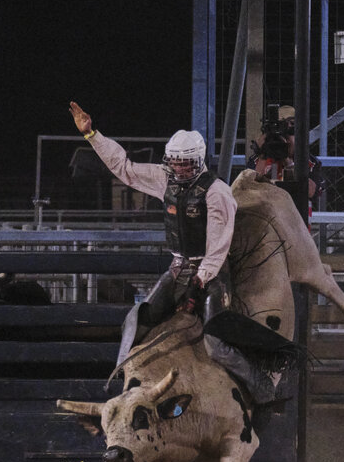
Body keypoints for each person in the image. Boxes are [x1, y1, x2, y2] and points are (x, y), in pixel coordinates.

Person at [68, 100, 279, 404]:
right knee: (136, 318)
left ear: (197, 162)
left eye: (184, 163)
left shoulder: (217, 193)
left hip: (213, 273)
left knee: (215, 343)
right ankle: (125, 382)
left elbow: (219, 243)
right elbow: (124, 169)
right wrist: (92, 136)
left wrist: (201, 281)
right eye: (175, 162)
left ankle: (262, 390)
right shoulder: (164, 179)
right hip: (178, 267)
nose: (179, 168)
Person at [246, 104, 325, 207]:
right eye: (280, 138)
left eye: (289, 135)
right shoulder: (260, 158)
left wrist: (288, 163)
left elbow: (311, 192)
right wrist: (263, 155)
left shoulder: (309, 162)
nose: (283, 142)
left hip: (296, 214)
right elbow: (249, 190)